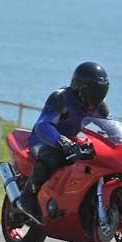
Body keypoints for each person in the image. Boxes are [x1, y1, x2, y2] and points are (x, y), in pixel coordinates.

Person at [17, 61, 111, 223]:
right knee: (52, 157)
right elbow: (43, 125)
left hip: (71, 141)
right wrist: (61, 141)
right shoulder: (61, 98)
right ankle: (28, 197)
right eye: (95, 91)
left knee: (91, 161)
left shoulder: (99, 107)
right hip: (44, 139)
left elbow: (109, 127)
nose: (97, 96)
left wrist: (118, 142)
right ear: (82, 87)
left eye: (101, 91)